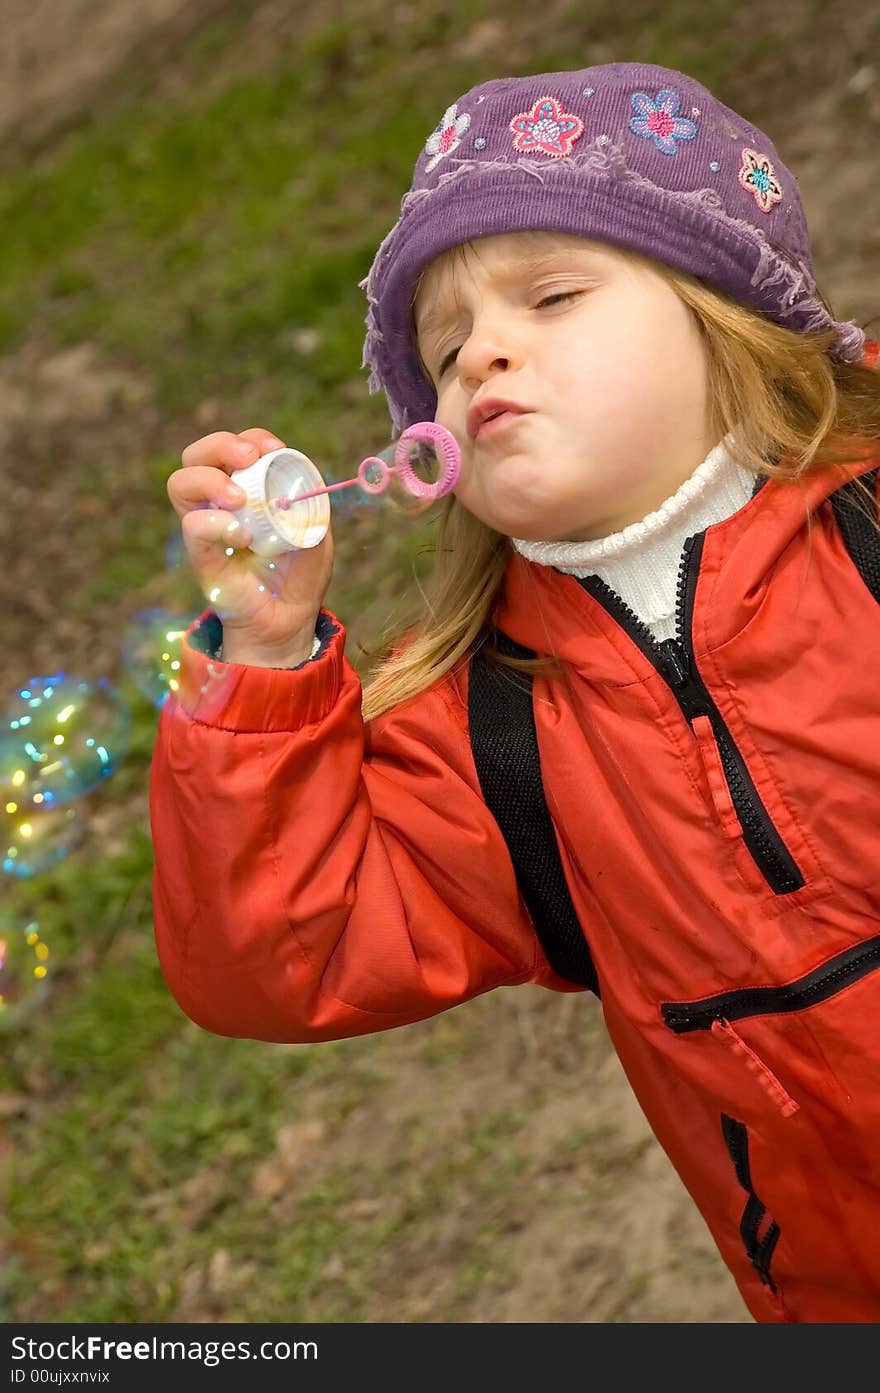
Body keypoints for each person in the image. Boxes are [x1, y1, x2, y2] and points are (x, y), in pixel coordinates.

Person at [151, 62, 880, 1323]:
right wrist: (264, 651)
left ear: (727, 315)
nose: (483, 352)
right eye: (443, 353)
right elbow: (277, 957)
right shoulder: (493, 730)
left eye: (552, 294)